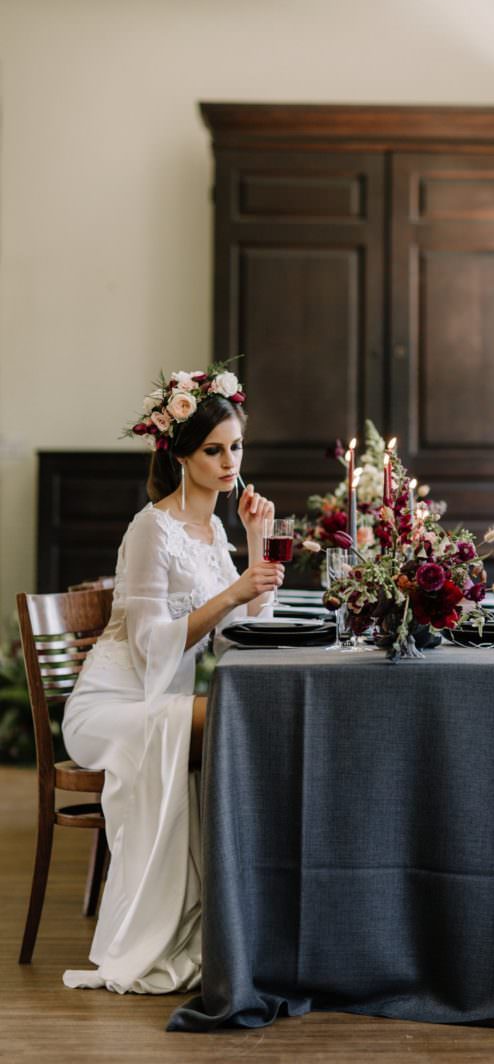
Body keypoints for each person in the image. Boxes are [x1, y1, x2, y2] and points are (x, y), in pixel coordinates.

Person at [62, 364, 283, 994]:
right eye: (213, 450)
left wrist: (256, 539)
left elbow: (245, 622)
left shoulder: (214, 527)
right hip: (113, 704)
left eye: (235, 447)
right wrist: (234, 588)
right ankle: (214, 916)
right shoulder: (149, 528)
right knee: (234, 721)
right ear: (183, 455)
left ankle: (240, 913)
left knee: (238, 723)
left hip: (163, 696)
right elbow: (152, 644)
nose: (228, 461)